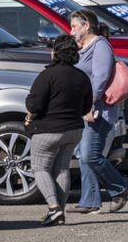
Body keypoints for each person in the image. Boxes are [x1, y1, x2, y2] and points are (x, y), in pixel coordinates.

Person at [68, 9, 128, 214]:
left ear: (86, 25)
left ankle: (120, 188)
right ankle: (90, 200)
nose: (71, 32)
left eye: (75, 27)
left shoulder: (100, 46)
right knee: (84, 154)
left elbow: (100, 79)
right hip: (86, 108)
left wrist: (88, 104)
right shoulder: (84, 47)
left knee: (90, 155)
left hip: (98, 110)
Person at [25, 34, 93, 226]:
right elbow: (86, 107)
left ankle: (54, 208)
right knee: (62, 168)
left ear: (56, 53)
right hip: (74, 130)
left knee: (40, 167)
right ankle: (58, 213)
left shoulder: (48, 75)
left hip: (48, 130)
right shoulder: (81, 76)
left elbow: (35, 104)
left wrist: (30, 112)